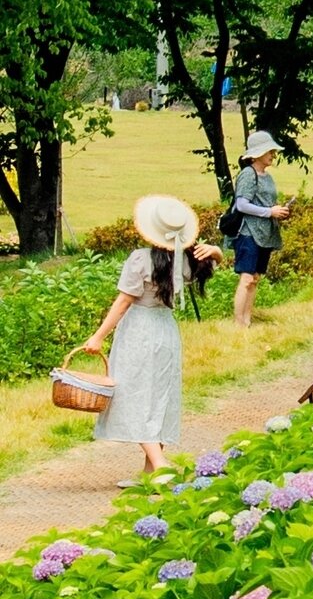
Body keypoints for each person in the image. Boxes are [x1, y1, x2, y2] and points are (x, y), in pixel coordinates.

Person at [81, 196, 222, 479]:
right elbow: (216, 262)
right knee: (158, 395)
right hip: (166, 329)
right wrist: (216, 250)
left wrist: (97, 338)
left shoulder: (141, 259)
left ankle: (159, 464)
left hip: (139, 330)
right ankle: (149, 472)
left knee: (130, 395)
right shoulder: (188, 261)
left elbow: (123, 302)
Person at [230, 131, 292, 328]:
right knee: (247, 278)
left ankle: (248, 320)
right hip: (248, 233)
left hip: (265, 233)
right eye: (269, 151)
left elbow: (267, 203)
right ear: (257, 154)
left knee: (255, 278)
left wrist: (279, 211)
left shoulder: (267, 176)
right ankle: (239, 323)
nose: (273, 155)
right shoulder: (248, 175)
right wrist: (269, 212)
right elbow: (241, 205)